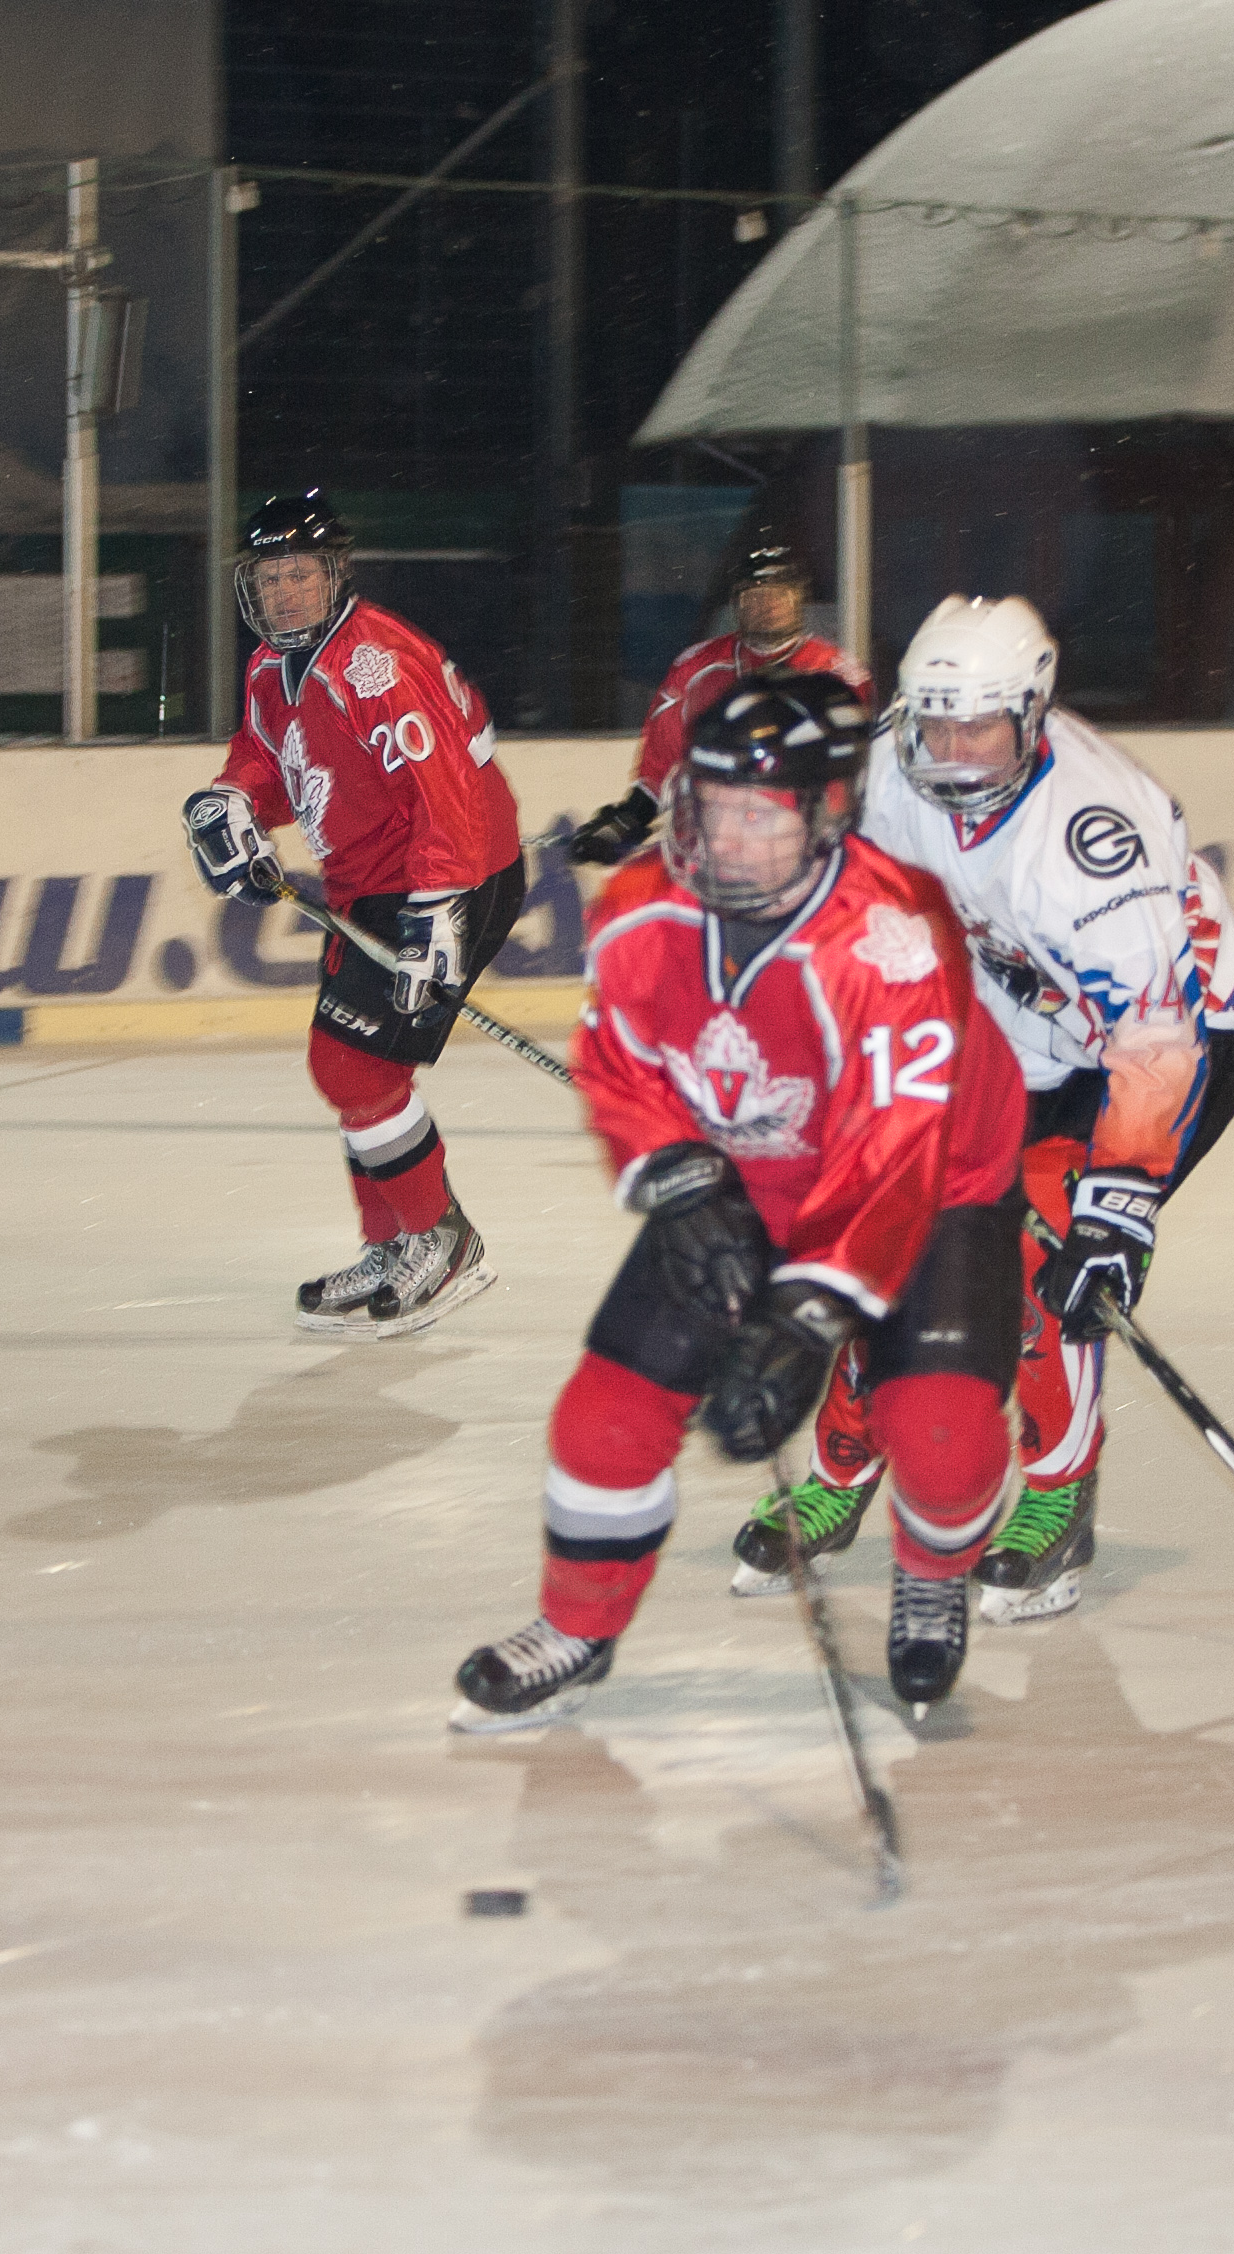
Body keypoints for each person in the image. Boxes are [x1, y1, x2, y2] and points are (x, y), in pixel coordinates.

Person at [450, 674, 1028, 1724]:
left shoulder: (891, 935)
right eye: (713, 808)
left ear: (826, 814)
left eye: (760, 817)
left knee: (942, 1436)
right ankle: (577, 1627)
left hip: (937, 1185)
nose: (726, 841)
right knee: (604, 1421)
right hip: (753, 1173)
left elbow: (893, 1153)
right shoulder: (640, 906)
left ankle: (933, 1572)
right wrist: (680, 1182)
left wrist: (803, 1317)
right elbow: (622, 1064)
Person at [753, 595, 1234, 1627]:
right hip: (1006, 1033)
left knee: (1044, 1262)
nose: (951, 751)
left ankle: (1057, 1495)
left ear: (1030, 715)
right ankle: (845, 1464)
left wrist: (1117, 1212)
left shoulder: (1089, 841)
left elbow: (1154, 1038)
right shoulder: (889, 772)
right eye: (934, 724)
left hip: (1157, 1049)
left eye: (978, 727)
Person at [181, 489, 524, 1337]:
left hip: (448, 877)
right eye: (269, 576)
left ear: (335, 574)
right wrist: (235, 800)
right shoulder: (271, 667)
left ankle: (443, 1240)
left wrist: (437, 911)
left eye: (299, 573)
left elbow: (444, 793)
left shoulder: (374, 665)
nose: (285, 591)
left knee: (354, 1069)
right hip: (370, 883)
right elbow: (271, 756)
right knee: (351, 1070)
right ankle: (395, 1239)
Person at [569, 543, 871, 867]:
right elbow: (661, 769)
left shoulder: (838, 675)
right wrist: (628, 820)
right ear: (736, 604)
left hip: (804, 849)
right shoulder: (695, 669)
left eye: (780, 594)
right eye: (755, 596)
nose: (768, 604)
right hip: (713, 850)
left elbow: (860, 775)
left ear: (799, 600)